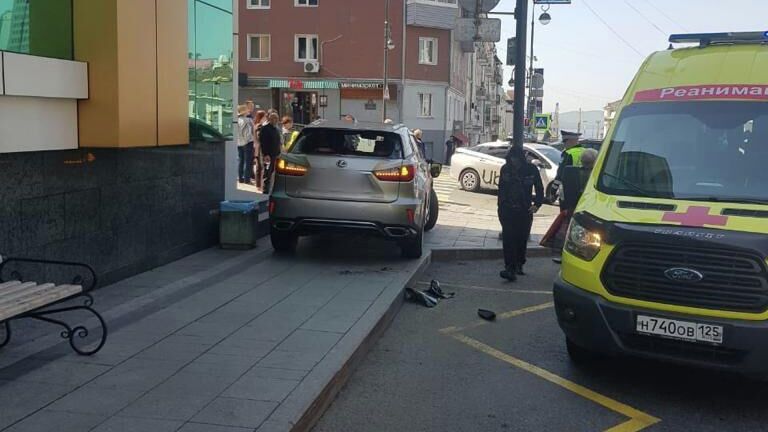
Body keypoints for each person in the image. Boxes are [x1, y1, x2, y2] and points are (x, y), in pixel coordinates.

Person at [498, 143, 544, 281]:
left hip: (524, 210)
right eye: (512, 159)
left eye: (516, 159)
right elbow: (501, 189)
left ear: (521, 159)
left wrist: (537, 204)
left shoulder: (531, 170)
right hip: (508, 209)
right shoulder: (506, 169)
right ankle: (509, 268)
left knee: (521, 238)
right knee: (508, 239)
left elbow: (539, 188)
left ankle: (519, 264)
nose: (514, 162)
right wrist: (500, 207)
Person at [260, 112, 283, 194]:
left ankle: (271, 189)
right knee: (267, 172)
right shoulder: (265, 129)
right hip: (268, 155)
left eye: (276, 118)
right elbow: (263, 142)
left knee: (273, 172)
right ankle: (265, 189)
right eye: (273, 118)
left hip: (276, 154)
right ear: (269, 119)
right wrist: (265, 154)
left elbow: (278, 142)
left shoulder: (276, 129)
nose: (275, 120)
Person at [236, 105, 255, 184]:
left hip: (239, 142)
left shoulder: (236, 120)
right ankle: (247, 179)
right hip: (248, 142)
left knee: (241, 160)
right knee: (247, 161)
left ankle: (240, 178)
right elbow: (250, 132)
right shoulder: (248, 120)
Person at [252, 110, 267, 190]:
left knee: (259, 167)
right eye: (264, 116)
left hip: (257, 148)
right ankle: (260, 185)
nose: (265, 118)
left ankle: (258, 185)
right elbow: (259, 137)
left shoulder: (256, 125)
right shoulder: (259, 126)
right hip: (260, 148)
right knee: (261, 167)